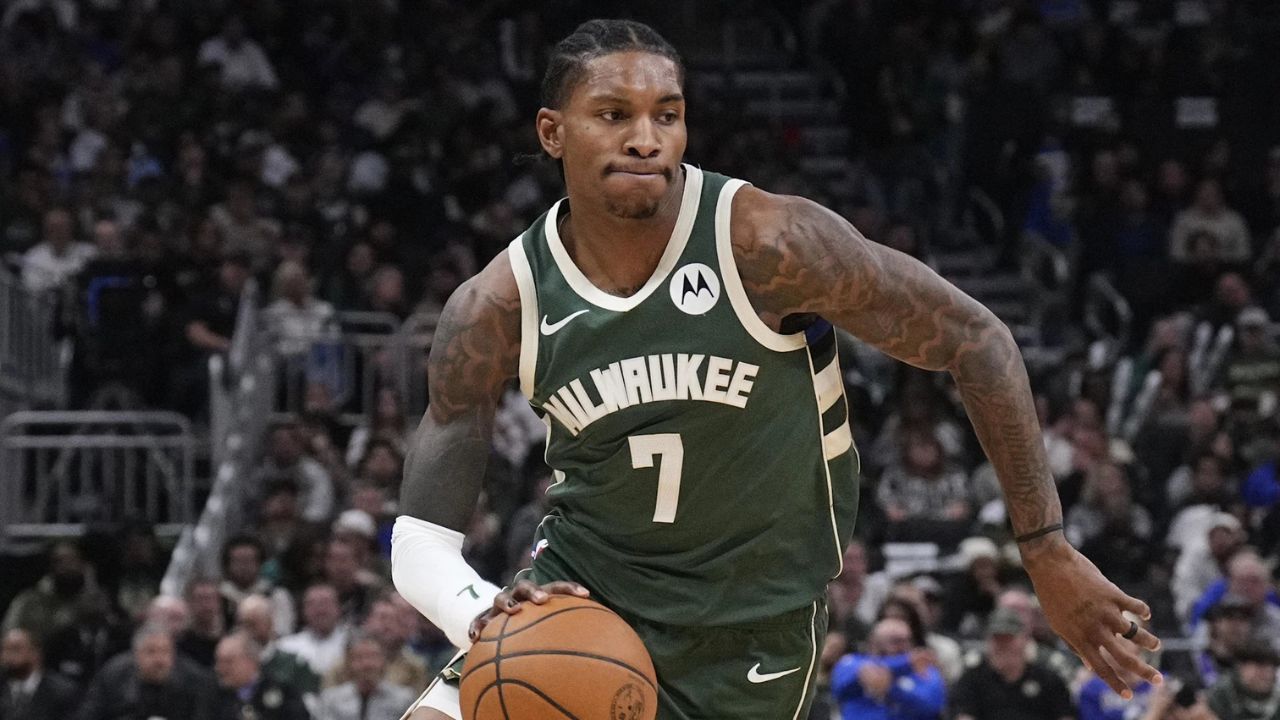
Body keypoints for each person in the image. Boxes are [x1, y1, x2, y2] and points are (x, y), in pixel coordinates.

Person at [391, 19, 1161, 720]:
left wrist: (1046, 547)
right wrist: (486, 612)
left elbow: (976, 338)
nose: (646, 138)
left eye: (667, 113)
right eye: (614, 114)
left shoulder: (768, 246)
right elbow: (419, 544)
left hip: (748, 642)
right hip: (583, 607)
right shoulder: (497, 304)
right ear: (553, 133)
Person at [951, 609, 1076, 720]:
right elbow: (964, 715)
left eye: (1009, 638)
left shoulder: (1048, 680)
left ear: (1025, 640)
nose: (1003, 645)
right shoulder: (971, 680)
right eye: (997, 639)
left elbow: (1065, 715)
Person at [77, 623, 216, 720]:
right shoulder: (114, 674)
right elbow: (89, 714)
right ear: (136, 655)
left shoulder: (193, 679)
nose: (160, 660)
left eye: (166, 652)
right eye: (151, 652)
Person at [829, 617, 946, 719]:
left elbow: (933, 706)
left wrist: (891, 689)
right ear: (874, 642)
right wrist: (905, 664)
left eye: (907, 640)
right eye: (895, 641)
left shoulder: (923, 669)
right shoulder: (852, 662)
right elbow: (839, 686)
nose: (902, 647)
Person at [315, 633, 415, 720]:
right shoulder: (331, 700)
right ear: (349, 663)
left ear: (384, 661)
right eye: (360, 658)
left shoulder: (403, 700)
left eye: (373, 657)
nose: (367, 664)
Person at [212, 632, 309, 720]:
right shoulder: (214, 696)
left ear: (251, 661)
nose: (220, 668)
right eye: (218, 661)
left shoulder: (284, 692)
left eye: (228, 662)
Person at [0, 628, 78, 720]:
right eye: (3, 650)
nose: (7, 656)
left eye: (15, 649)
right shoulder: (2, 685)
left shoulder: (63, 692)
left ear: (35, 653)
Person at [1207, 640, 1280, 720]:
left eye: (1272, 668)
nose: (1268, 675)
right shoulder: (1221, 694)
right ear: (1241, 667)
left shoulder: (1277, 697)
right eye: (1260, 667)